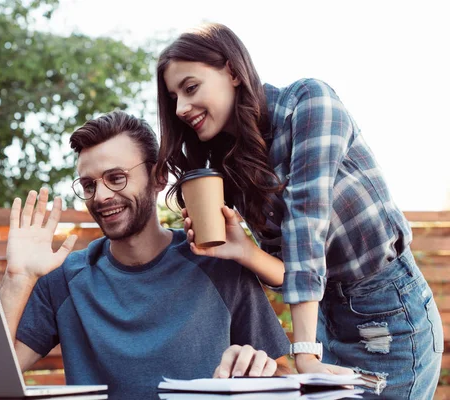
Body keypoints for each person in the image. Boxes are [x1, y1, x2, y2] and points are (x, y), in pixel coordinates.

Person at [155, 22, 444, 398]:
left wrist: (304, 351)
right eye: (174, 97)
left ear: (232, 71)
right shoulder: (236, 162)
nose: (180, 108)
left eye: (190, 88)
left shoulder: (309, 103)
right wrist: (245, 251)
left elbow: (307, 225)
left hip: (390, 317)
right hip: (326, 322)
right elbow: (291, 271)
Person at [0, 110, 291, 399]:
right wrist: (17, 277)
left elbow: (282, 373)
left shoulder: (219, 266)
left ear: (159, 176)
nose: (100, 196)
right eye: (89, 185)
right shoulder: (64, 280)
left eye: (116, 177)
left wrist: (255, 368)